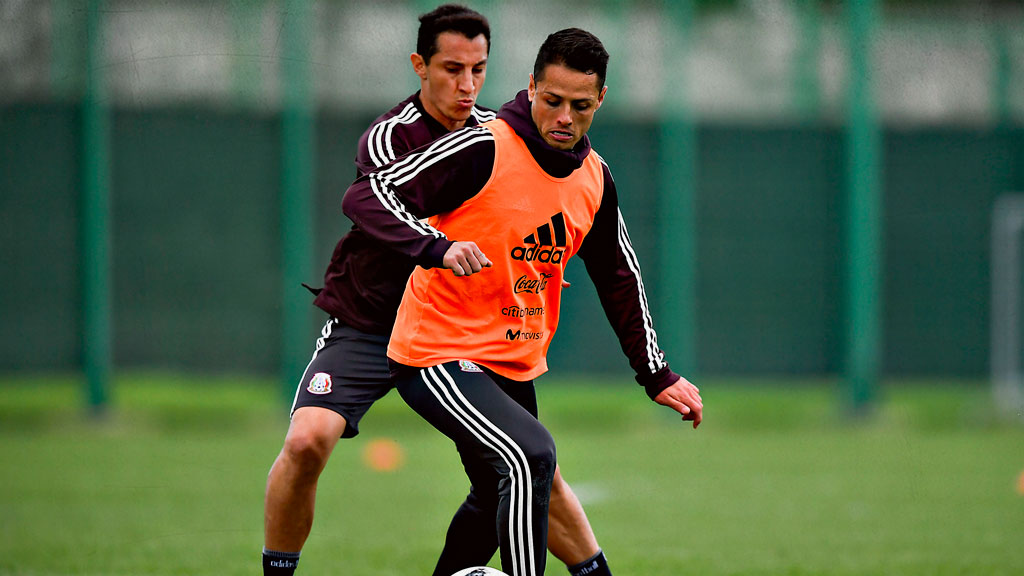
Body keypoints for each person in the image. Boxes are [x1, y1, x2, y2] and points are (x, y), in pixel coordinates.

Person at [262, 7, 613, 576]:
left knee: (529, 468)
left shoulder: (496, 138)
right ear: (419, 66)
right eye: (452, 68)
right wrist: (437, 246)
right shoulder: (390, 139)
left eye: (478, 69)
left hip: (458, 336)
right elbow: (373, 200)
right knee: (307, 441)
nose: (467, 84)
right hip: (373, 321)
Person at [342, 27, 703, 576]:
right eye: (552, 100)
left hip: (510, 363)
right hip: (436, 352)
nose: (564, 117)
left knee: (496, 495)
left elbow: (618, 276)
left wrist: (656, 374)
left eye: (580, 106)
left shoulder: (594, 178)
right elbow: (368, 193)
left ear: (599, 100)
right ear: (531, 86)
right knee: (530, 458)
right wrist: (434, 246)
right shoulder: (483, 146)